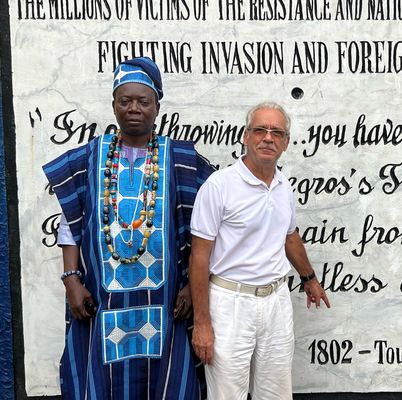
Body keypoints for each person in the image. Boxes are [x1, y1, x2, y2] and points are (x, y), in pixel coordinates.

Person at [43, 56, 214, 399]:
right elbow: (69, 224)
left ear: (157, 106)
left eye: (143, 101)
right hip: (100, 302)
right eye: (126, 101)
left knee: (169, 384)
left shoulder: (181, 159)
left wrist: (191, 289)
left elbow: (207, 229)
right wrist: (72, 280)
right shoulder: (90, 157)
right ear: (113, 105)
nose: (134, 108)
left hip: (167, 305)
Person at [188, 102, 331, 400]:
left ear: (286, 143)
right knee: (228, 394)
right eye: (260, 130)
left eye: (277, 132)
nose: (268, 138)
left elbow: (289, 237)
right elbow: (199, 257)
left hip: (276, 301)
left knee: (276, 393)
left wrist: (310, 279)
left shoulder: (283, 186)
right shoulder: (219, 186)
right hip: (230, 303)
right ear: (245, 136)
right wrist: (202, 323)